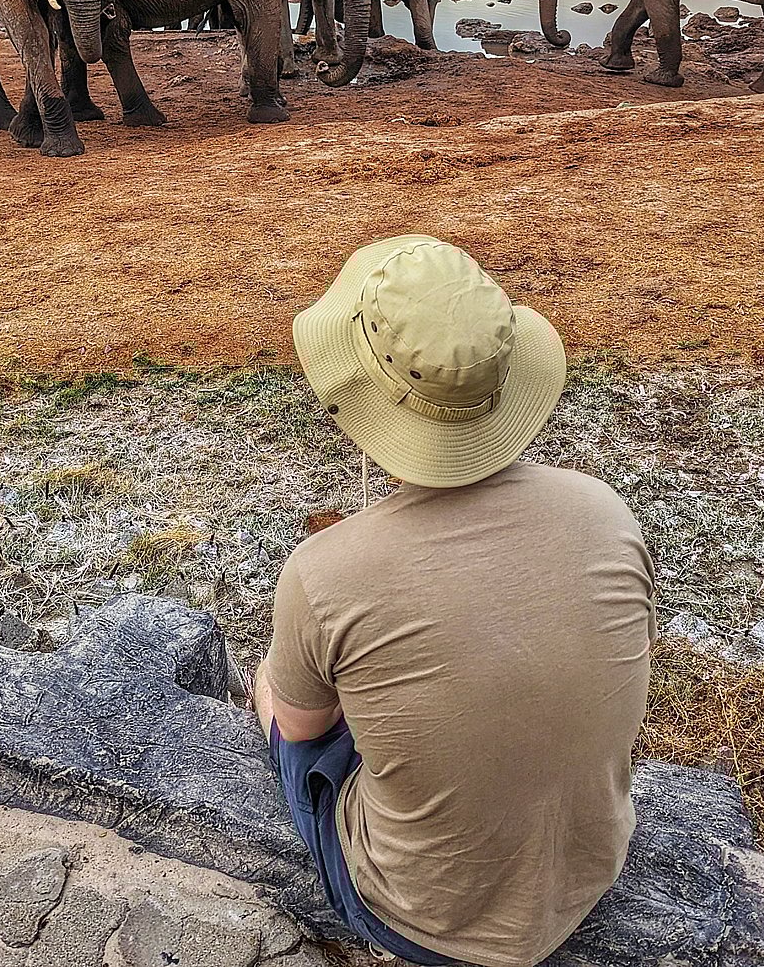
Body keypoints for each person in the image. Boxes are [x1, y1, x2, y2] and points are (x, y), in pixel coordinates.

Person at [255, 235, 655, 966]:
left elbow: (304, 726)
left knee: (285, 707)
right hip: (592, 871)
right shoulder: (605, 510)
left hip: (421, 922)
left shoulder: (322, 573)